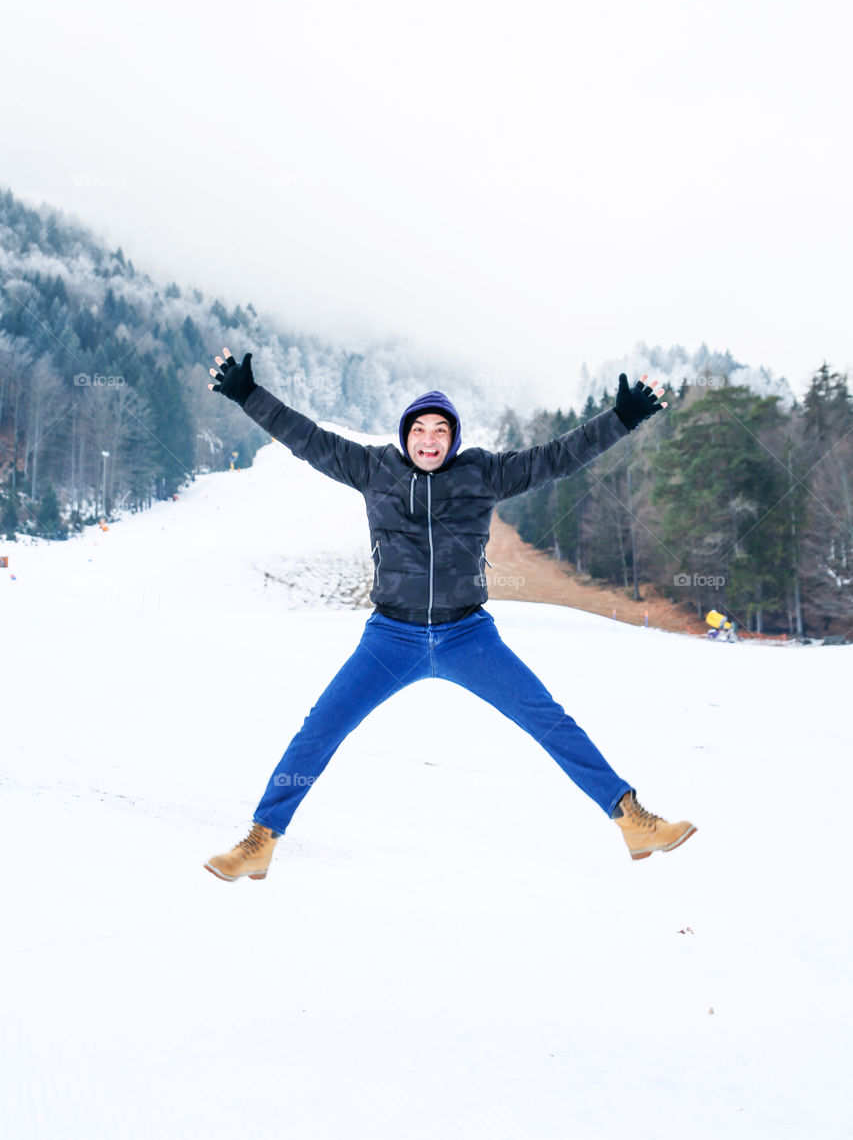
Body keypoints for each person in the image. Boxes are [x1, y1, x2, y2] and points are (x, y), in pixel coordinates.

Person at [204, 348, 696, 880]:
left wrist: (621, 418)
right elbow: (306, 439)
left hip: (467, 636)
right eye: (420, 430)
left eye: (441, 430)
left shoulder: (483, 473)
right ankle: (261, 839)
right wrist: (247, 394)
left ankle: (632, 819)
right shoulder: (373, 469)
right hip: (391, 639)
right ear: (406, 435)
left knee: (549, 721)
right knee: (318, 731)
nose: (430, 439)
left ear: (453, 438)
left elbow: (558, 457)